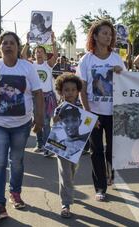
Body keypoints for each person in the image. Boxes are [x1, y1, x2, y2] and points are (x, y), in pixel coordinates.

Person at [0, 31, 44, 221]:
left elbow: (37, 93)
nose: (8, 46)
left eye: (12, 43)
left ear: (18, 47)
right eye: (5, 43)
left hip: (22, 125)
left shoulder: (27, 68)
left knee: (17, 162)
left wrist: (40, 118)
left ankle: (15, 193)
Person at [77, 20, 125, 202]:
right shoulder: (86, 60)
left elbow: (127, 84)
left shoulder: (116, 58)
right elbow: (82, 87)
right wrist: (88, 112)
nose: (108, 36)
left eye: (110, 33)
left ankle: (111, 174)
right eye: (104, 33)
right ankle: (100, 187)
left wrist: (121, 72)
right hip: (93, 113)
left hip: (114, 113)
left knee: (113, 150)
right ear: (95, 36)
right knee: (95, 151)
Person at [51, 73, 85, 218]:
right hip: (62, 146)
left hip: (77, 147)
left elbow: (87, 124)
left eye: (73, 90)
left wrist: (93, 122)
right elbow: (54, 126)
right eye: (66, 90)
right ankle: (66, 204)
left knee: (71, 171)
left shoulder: (82, 109)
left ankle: (69, 190)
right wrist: (55, 120)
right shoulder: (59, 109)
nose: (70, 93)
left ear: (78, 91)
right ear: (61, 91)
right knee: (65, 173)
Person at [21, 32, 58, 156]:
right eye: (37, 51)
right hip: (35, 98)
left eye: (41, 51)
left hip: (47, 98)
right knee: (38, 122)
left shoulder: (48, 65)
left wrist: (52, 41)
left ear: (45, 54)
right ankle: (40, 144)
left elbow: (56, 55)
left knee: (47, 123)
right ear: (34, 54)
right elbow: (22, 56)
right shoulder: (31, 65)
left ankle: (48, 147)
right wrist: (27, 42)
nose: (39, 53)